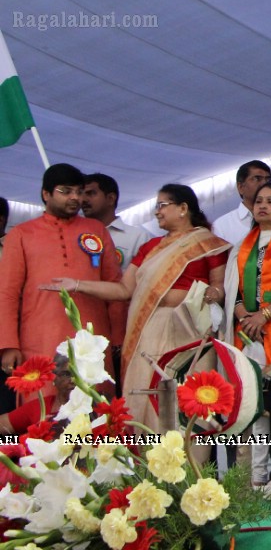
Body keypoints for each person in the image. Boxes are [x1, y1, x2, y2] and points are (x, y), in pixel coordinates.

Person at [44, 183, 228, 430]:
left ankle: (190, 463)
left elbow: (219, 287)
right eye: (156, 207)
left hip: (190, 331)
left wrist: (210, 294)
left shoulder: (209, 243)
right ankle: (146, 460)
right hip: (149, 329)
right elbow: (124, 290)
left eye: (162, 206)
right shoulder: (149, 248)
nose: (157, 212)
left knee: (188, 399)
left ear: (183, 208)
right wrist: (76, 284)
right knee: (146, 392)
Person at [0, 164, 122, 393]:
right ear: (46, 194)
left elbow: (115, 286)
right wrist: (8, 344)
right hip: (40, 336)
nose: (75, 198)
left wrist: (118, 337)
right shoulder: (21, 234)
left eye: (79, 191)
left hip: (93, 336)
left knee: (98, 407)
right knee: (44, 406)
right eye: (65, 191)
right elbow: (7, 292)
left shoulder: (96, 229)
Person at [228, 182, 271, 484]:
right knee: (256, 411)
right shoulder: (241, 247)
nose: (263, 206)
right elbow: (236, 292)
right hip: (249, 334)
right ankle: (257, 476)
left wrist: (265, 315)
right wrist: (245, 316)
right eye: (258, 201)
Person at [81, 172, 151, 381]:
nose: (83, 200)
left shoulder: (138, 236)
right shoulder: (75, 236)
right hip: (86, 319)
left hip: (126, 325)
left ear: (111, 198)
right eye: (81, 193)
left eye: (91, 193)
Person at [212, 161, 271, 247]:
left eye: (268, 179)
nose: (264, 184)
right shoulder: (221, 226)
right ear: (241, 187)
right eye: (257, 179)